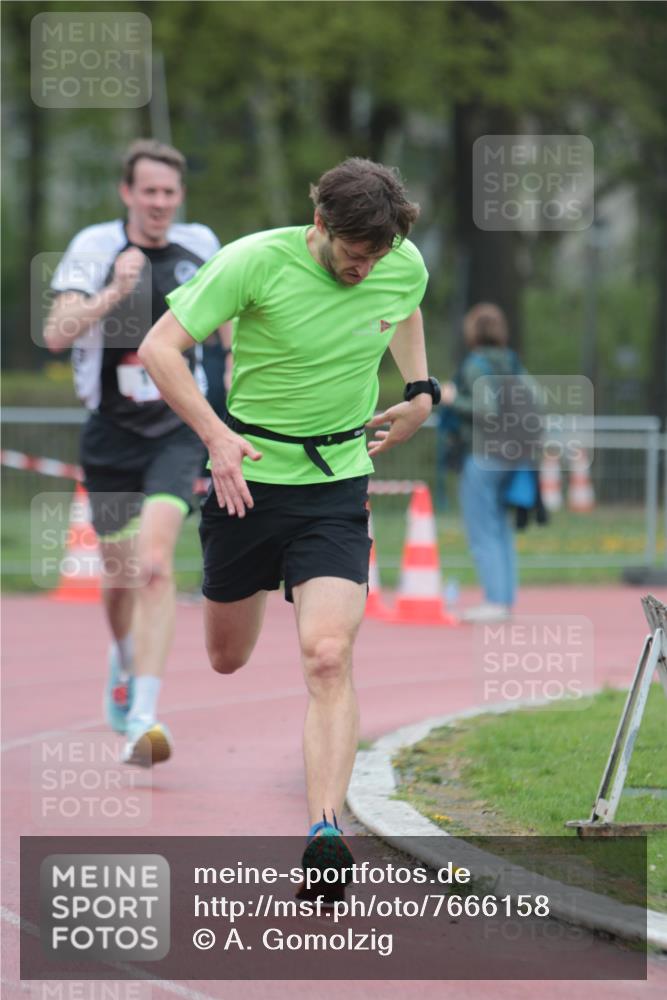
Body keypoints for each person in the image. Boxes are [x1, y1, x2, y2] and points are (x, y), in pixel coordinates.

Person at [138, 157, 439, 842]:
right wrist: (215, 438)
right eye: (352, 254)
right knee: (226, 658)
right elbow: (159, 349)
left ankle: (324, 831)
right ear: (320, 224)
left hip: (335, 480)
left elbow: (407, 304)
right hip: (245, 479)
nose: (363, 268)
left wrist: (421, 391)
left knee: (328, 654)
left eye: (376, 256)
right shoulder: (253, 262)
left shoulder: (399, 261)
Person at [44, 139, 227, 766]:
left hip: (177, 428)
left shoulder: (201, 246)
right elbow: (54, 333)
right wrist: (113, 293)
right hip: (111, 436)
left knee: (154, 563)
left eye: (169, 193)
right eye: (148, 192)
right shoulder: (95, 248)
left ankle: (146, 716)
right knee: (119, 576)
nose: (159, 203)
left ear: (180, 197)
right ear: (127, 193)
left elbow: (234, 332)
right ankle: (123, 663)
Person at [441, 303, 536, 623]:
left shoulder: (475, 365)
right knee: (501, 529)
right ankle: (504, 599)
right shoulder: (512, 362)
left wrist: (453, 399)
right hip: (513, 453)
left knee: (482, 529)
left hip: (483, 454)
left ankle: (494, 601)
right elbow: (536, 399)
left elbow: (486, 410)